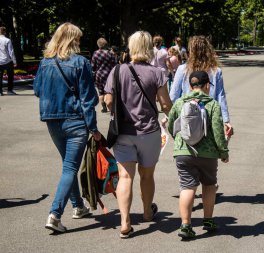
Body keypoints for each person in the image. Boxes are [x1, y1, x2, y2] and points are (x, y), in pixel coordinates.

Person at [33, 22, 101, 233]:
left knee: (67, 166)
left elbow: (37, 90)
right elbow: (88, 99)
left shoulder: (45, 62)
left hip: (52, 120)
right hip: (75, 120)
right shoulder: (81, 62)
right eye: (78, 38)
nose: (80, 42)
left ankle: (78, 207)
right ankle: (55, 214)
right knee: (70, 167)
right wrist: (94, 129)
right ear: (73, 40)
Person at [104, 31, 172, 238]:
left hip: (123, 132)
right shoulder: (157, 73)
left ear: (131, 47)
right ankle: (147, 213)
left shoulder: (117, 70)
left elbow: (107, 101)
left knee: (125, 176)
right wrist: (170, 117)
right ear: (149, 48)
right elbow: (166, 104)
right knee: (147, 174)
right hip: (149, 131)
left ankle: (125, 222)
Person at [167, 70, 229, 239]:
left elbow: (171, 124)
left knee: (187, 187)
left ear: (190, 85)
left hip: (183, 152)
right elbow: (217, 131)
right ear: (207, 85)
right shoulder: (213, 104)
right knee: (209, 185)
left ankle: (186, 225)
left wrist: (179, 141)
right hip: (208, 154)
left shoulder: (180, 102)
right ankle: (208, 220)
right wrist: (223, 152)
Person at [169, 35, 233, 140]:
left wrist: (177, 115)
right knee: (208, 152)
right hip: (209, 121)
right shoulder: (216, 71)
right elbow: (220, 97)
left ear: (191, 51)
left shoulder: (182, 70)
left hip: (187, 120)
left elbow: (173, 97)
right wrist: (226, 121)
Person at [91, 38, 117, 113]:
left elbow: (93, 66)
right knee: (108, 90)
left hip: (99, 75)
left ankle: (104, 108)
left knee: (101, 92)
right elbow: (115, 64)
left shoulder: (95, 53)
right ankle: (110, 106)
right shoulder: (110, 53)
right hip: (109, 74)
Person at [0, 26, 17, 95]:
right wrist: (14, 61)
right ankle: (9, 90)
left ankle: (0, 91)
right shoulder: (7, 40)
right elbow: (11, 52)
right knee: (10, 75)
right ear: (5, 32)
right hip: (7, 61)